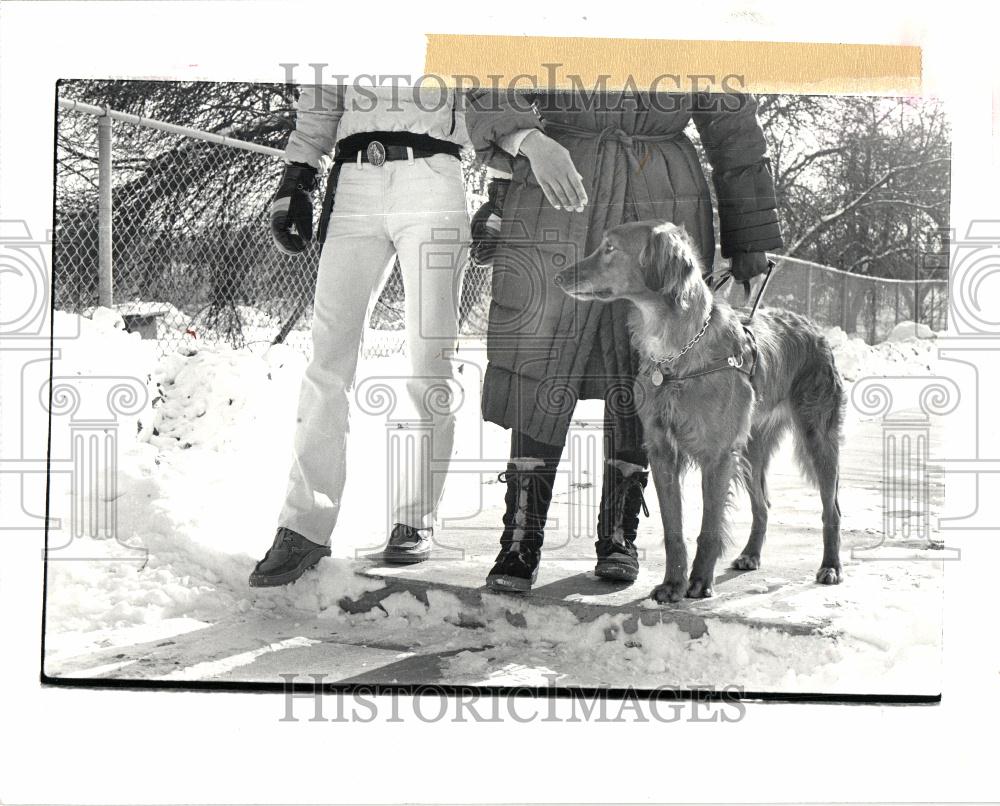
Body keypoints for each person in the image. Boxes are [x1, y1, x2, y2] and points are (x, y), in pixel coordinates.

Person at [467, 90, 783, 592]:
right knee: (539, 353)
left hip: (663, 191)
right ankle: (520, 536)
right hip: (559, 184)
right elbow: (494, 74)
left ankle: (620, 533)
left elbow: (732, 122)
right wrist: (527, 140)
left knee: (649, 365)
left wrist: (752, 232)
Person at [250, 82, 471, 587]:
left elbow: (485, 91)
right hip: (353, 179)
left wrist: (502, 186)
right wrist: (297, 176)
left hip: (433, 175)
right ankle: (303, 526)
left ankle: (415, 518)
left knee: (430, 356)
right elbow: (322, 96)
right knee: (327, 359)